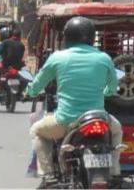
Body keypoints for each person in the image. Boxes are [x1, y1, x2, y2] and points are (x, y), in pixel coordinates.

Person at [25, 16, 123, 188]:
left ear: (68, 36)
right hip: (98, 118)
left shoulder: (58, 57)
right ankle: (114, 170)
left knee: (37, 130)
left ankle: (48, 174)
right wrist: (106, 92)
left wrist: (29, 91)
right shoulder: (104, 58)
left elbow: (37, 84)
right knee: (117, 130)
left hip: (66, 121)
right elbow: (113, 88)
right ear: (92, 37)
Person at [0, 27, 26, 99]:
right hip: (17, 67)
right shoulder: (21, 44)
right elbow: (21, 56)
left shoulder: (0, 44)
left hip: (5, 65)